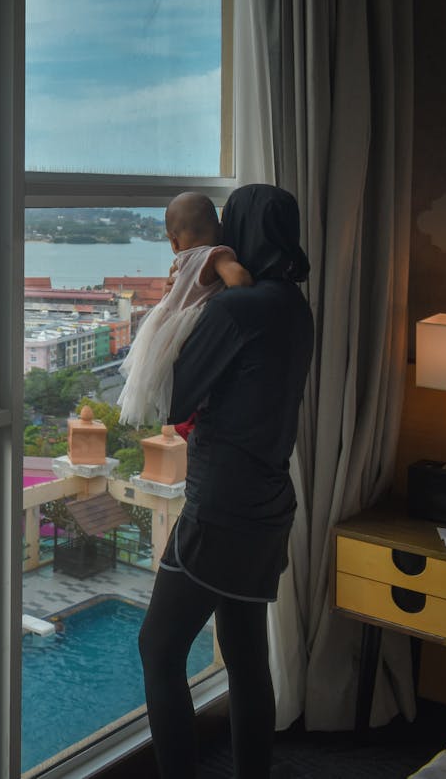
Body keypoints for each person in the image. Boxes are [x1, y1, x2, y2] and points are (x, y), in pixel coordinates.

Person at [137, 184, 314, 779]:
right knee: (244, 657)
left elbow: (170, 394)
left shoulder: (239, 308)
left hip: (219, 508)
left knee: (158, 651)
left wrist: (176, 307)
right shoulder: (291, 303)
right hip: (269, 504)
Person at [116, 192, 253, 427]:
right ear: (219, 230)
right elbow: (240, 281)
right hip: (190, 330)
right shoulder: (215, 255)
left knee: (168, 387)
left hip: (162, 333)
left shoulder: (180, 261)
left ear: (174, 241)